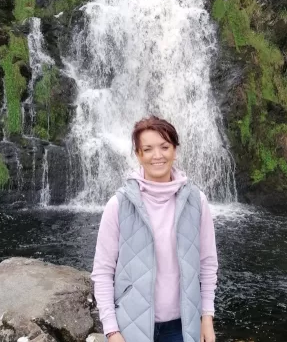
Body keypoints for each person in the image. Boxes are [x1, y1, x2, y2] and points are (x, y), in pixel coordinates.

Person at [91, 115, 219, 342]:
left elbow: (207, 264)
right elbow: (102, 272)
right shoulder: (118, 205)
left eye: (164, 147)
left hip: (183, 326)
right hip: (131, 326)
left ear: (175, 150)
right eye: (148, 149)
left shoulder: (197, 202)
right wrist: (111, 330)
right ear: (138, 155)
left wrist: (206, 317)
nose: (157, 156)